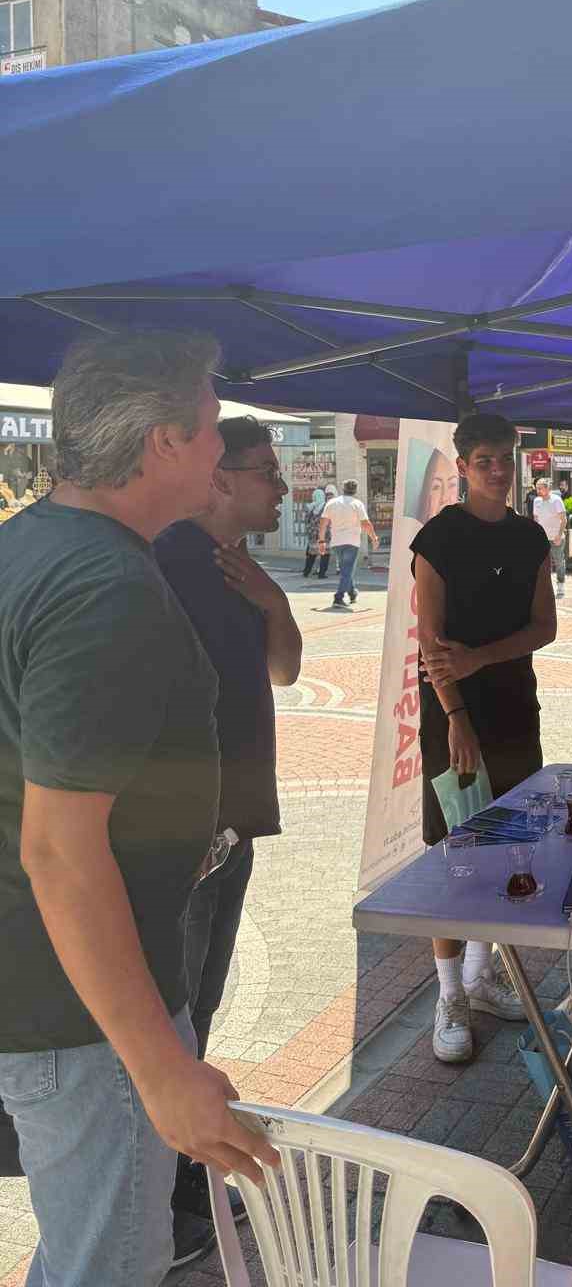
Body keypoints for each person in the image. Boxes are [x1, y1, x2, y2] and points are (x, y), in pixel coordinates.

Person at [0, 333, 277, 1287]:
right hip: (83, 1019)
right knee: (108, 1269)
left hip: (50, 994)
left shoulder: (32, 543)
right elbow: (61, 852)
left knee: (83, 1250)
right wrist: (162, 1070)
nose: (219, 453)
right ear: (163, 442)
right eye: (207, 430)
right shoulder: (105, 587)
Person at [155, 417, 303, 1251]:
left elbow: (284, 670)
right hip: (184, 839)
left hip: (235, 827)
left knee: (199, 1009)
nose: (282, 488)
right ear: (219, 477)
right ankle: (157, 1204)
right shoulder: (167, 561)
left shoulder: (244, 569)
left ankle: (180, 1186)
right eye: (267, 473)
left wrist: (275, 601)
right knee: (171, 1019)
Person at [412, 414, 557, 1064]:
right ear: (463, 466)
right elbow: (430, 643)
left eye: (506, 458)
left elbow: (544, 628)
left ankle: (480, 971)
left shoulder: (530, 537)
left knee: (505, 850)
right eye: (485, 460)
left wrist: (484, 659)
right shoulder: (438, 539)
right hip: (456, 722)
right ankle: (448, 995)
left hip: (515, 713)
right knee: (455, 853)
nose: (499, 470)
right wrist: (457, 715)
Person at [318, 478, 379, 608]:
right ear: (355, 490)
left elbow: (323, 522)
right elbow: (366, 524)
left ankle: (352, 593)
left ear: (343, 489)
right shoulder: (357, 504)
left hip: (337, 542)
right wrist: (373, 538)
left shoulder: (332, 503)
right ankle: (338, 597)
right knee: (347, 571)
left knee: (346, 569)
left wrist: (321, 540)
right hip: (352, 542)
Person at [531, 477, 568, 597]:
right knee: (543, 564)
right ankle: (546, 587)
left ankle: (561, 585)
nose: (538, 491)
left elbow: (564, 520)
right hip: (543, 538)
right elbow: (536, 520)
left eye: (540, 488)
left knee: (558, 561)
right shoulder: (536, 501)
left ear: (547, 489)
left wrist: (558, 535)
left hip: (556, 537)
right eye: (537, 488)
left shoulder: (556, 500)